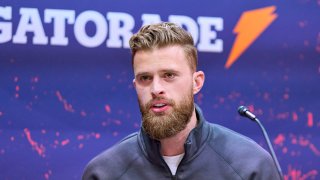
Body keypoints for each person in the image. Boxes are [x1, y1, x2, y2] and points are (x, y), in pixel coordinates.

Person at [82, 22, 280, 180]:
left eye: (169, 75)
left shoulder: (251, 165)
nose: (155, 89)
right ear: (135, 86)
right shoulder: (104, 172)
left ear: (196, 82)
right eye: (145, 78)